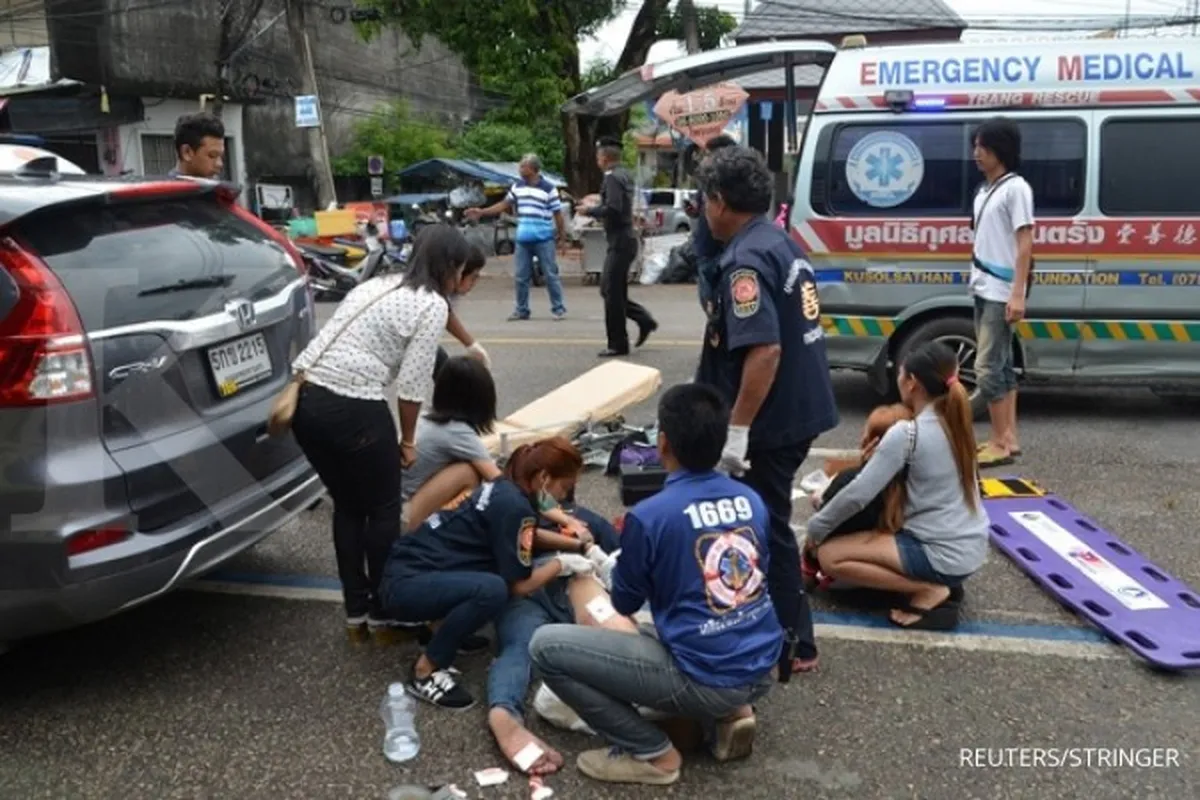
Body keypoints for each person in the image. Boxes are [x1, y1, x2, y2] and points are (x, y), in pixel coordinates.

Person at [530, 383, 781, 787]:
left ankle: (654, 755)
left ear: (662, 443)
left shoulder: (650, 516)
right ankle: (733, 714)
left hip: (705, 675)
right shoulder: (751, 499)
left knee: (546, 647)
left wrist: (602, 562)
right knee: (672, 628)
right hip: (760, 665)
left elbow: (625, 601)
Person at [693, 145, 838, 678]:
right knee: (767, 520)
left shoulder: (746, 261)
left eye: (706, 201)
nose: (704, 212)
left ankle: (794, 639)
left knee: (767, 524)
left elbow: (765, 350)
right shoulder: (776, 240)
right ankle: (783, 627)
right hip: (796, 406)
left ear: (719, 200)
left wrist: (736, 432)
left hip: (771, 421)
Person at [289, 225, 471, 639]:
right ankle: (388, 614)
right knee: (384, 510)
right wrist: (408, 442)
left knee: (350, 509)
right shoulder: (431, 305)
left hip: (304, 402)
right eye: (460, 268)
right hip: (353, 405)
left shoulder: (379, 285)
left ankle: (357, 615)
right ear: (449, 266)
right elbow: (411, 388)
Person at [379, 437, 597, 710]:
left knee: (488, 580)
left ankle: (444, 631)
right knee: (494, 590)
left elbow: (522, 536)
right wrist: (562, 564)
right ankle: (426, 670)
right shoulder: (516, 508)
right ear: (543, 477)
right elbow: (519, 586)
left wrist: (580, 545)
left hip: (410, 569)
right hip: (407, 587)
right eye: (564, 487)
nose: (564, 496)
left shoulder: (505, 489)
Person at [806, 342, 990, 630]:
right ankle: (937, 582)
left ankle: (927, 590)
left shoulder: (908, 433)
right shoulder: (956, 422)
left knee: (831, 557)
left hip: (939, 552)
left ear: (912, 383)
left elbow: (857, 495)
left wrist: (816, 529)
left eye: (900, 374)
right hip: (972, 548)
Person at [970, 117, 1034, 467]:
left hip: (1001, 289)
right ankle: (1008, 438)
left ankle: (997, 440)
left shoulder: (1016, 189)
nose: (976, 153)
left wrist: (1018, 294)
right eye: (976, 146)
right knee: (1005, 366)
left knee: (987, 368)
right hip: (983, 285)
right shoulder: (984, 191)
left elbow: (1025, 243)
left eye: (984, 147)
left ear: (1001, 150)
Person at [465, 154, 568, 322]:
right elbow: (504, 205)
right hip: (523, 239)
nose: (520, 170)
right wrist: (481, 212)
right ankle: (522, 310)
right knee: (521, 276)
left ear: (533, 169)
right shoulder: (517, 187)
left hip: (544, 238)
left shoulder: (549, 188)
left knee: (550, 274)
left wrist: (562, 238)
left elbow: (558, 214)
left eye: (522, 167)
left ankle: (558, 308)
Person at [580, 136, 657, 357]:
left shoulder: (613, 177)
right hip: (624, 239)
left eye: (598, 155)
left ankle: (618, 343)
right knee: (612, 290)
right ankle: (644, 320)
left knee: (610, 291)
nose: (597, 159)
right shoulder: (623, 174)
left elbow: (613, 208)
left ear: (604, 157)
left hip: (621, 240)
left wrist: (590, 211)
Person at [686, 134, 738, 315]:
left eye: (707, 155)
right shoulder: (707, 182)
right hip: (704, 251)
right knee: (710, 308)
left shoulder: (730, 184)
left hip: (718, 254)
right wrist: (694, 210)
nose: (704, 159)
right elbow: (702, 211)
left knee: (719, 311)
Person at [435, 242, 490, 376]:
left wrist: (471, 345)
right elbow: (446, 314)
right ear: (459, 272)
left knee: (441, 367)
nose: (475, 283)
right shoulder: (434, 296)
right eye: (474, 277)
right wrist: (471, 344)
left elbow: (447, 314)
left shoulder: (449, 292)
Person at [169, 112, 225, 179]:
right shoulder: (164, 189)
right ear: (186, 152)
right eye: (212, 155)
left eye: (221, 156)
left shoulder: (220, 188)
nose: (219, 164)